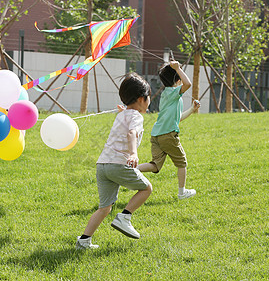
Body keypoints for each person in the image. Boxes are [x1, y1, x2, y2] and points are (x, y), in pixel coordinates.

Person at [76, 72, 153, 250]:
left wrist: (123, 111)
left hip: (102, 165)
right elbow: (131, 133)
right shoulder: (136, 116)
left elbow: (125, 125)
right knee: (146, 188)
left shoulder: (122, 114)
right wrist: (133, 153)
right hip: (119, 164)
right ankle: (124, 217)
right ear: (142, 99)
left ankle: (84, 241)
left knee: (104, 208)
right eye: (148, 97)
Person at [138, 60, 200, 200]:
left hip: (156, 136)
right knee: (182, 162)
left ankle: (132, 170)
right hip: (168, 136)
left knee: (155, 166)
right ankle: (182, 192)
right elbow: (188, 84)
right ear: (178, 79)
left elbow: (177, 119)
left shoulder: (167, 94)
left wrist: (192, 109)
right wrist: (178, 68)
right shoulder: (173, 92)